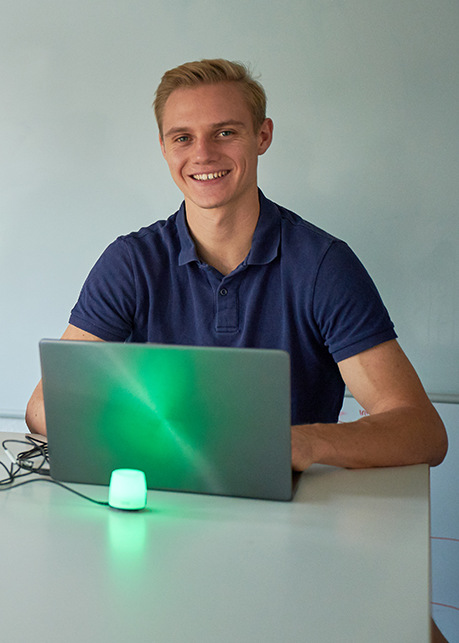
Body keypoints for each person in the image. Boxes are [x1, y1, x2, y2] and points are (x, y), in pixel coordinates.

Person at [25, 59, 447, 473]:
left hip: (291, 518)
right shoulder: (130, 263)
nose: (203, 154)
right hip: (159, 502)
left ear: (262, 136)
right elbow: (44, 410)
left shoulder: (323, 266)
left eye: (225, 132)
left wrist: (300, 442)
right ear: (163, 148)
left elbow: (423, 431)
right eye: (183, 138)